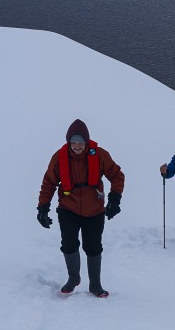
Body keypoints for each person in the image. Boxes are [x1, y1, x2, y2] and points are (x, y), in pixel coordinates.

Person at [37, 119, 125, 297]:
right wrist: (43, 208)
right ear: (69, 142)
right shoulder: (59, 157)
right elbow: (49, 183)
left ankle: (95, 284)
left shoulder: (99, 155)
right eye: (74, 142)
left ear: (86, 141)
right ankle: (73, 278)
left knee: (93, 247)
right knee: (68, 245)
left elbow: (117, 175)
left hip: (94, 210)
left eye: (81, 142)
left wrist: (115, 199)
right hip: (68, 209)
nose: (77, 146)